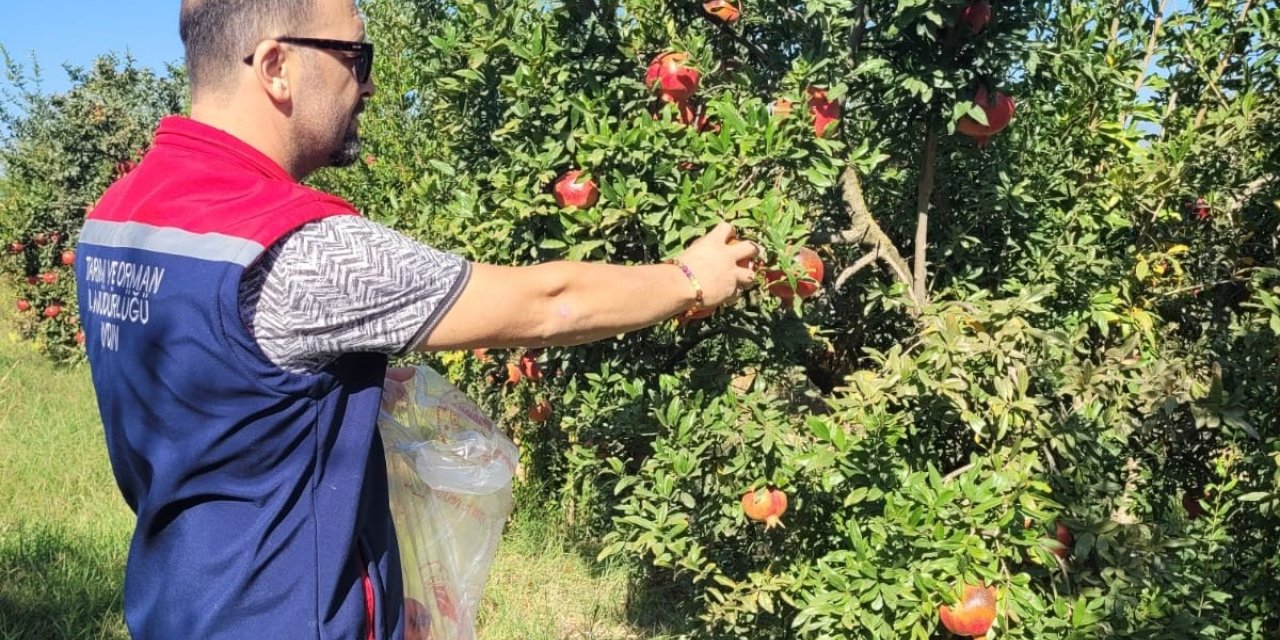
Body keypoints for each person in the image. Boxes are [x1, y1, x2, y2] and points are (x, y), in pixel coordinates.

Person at [73, 0, 759, 638]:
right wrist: (690, 280)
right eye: (356, 59)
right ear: (278, 66)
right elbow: (549, 303)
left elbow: (219, 376)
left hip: (181, 602)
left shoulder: (117, 219)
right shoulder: (296, 247)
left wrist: (345, 381)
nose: (368, 87)